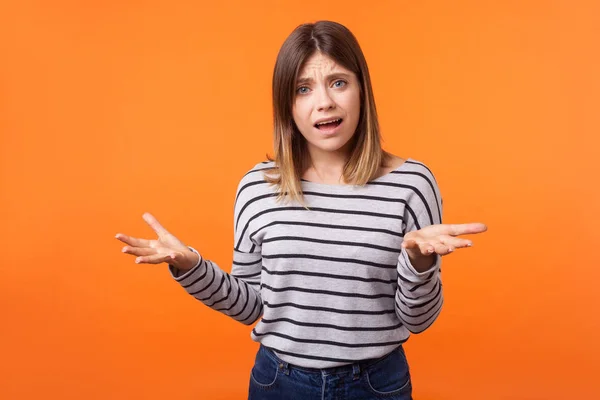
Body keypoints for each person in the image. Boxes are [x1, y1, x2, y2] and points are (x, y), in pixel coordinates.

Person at [115, 20, 487, 400]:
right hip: (280, 383)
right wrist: (190, 266)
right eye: (303, 89)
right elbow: (250, 305)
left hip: (376, 385)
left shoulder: (412, 184)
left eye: (338, 82)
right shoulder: (259, 187)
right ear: (287, 105)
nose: (324, 101)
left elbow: (418, 320)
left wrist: (418, 263)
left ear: (362, 90)